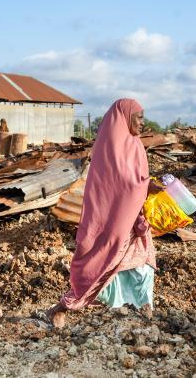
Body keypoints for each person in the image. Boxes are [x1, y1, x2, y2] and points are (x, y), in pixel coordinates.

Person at [46, 99, 162, 328]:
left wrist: (147, 187)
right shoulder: (111, 144)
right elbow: (118, 184)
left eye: (142, 117)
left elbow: (135, 180)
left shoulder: (135, 144)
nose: (142, 122)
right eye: (138, 117)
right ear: (125, 117)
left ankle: (141, 315)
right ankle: (62, 308)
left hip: (133, 220)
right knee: (101, 266)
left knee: (141, 268)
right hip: (112, 221)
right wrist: (146, 186)